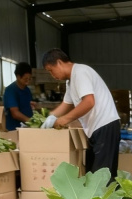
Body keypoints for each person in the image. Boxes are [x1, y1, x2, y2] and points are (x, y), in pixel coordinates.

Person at [40, 49, 121, 180]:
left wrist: (64, 119)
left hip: (105, 126)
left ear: (59, 62)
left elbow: (89, 102)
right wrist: (51, 117)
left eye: (51, 70)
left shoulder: (80, 72)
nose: (52, 75)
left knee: (102, 177)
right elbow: (66, 104)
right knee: (92, 173)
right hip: (95, 130)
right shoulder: (70, 81)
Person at [3, 62, 35, 131]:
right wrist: (31, 122)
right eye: (26, 79)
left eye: (30, 79)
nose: (28, 81)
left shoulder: (27, 90)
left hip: (26, 128)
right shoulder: (10, 90)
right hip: (14, 129)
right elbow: (15, 113)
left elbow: (29, 106)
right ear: (18, 76)